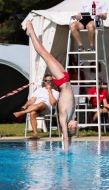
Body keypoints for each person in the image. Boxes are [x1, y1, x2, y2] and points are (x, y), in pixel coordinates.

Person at [21, 20, 77, 152]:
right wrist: (71, 140)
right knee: (47, 54)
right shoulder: (71, 116)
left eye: (75, 127)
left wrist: (66, 151)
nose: (77, 125)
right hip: (65, 78)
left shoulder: (63, 118)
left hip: (61, 80)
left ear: (69, 127)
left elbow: (65, 137)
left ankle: (31, 32)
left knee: (44, 54)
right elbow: (70, 136)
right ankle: (31, 32)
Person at [14, 74, 59, 139]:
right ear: (44, 81)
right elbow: (32, 99)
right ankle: (35, 134)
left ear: (52, 82)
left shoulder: (55, 92)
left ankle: (22, 113)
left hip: (47, 109)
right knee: (32, 113)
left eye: (50, 80)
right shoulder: (39, 90)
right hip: (36, 107)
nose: (48, 82)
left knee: (41, 103)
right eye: (46, 80)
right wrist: (25, 105)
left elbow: (52, 102)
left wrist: (49, 91)